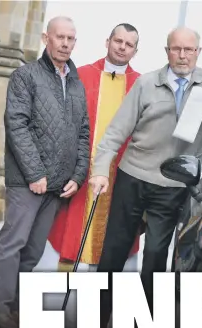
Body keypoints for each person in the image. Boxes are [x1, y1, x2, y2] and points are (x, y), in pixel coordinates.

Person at [88, 26, 202, 328]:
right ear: (167, 51)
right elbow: (113, 135)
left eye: (189, 50)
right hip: (134, 176)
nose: (182, 55)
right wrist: (101, 172)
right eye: (176, 49)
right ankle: (96, 319)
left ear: (198, 52)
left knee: (157, 254)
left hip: (173, 184)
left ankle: (138, 325)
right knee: (114, 250)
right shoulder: (147, 84)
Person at [0, 16, 89, 328]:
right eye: (60, 37)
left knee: (33, 250)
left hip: (57, 185)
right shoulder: (25, 75)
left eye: (71, 39)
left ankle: (15, 307)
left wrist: (78, 174)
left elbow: (83, 132)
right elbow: (17, 124)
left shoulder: (75, 83)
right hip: (27, 181)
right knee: (12, 243)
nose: (65, 43)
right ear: (46, 38)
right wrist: (34, 172)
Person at [46, 23, 144, 273]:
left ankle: (100, 299)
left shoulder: (142, 85)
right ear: (107, 41)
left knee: (113, 237)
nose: (122, 48)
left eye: (129, 44)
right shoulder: (81, 75)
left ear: (135, 50)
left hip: (121, 173)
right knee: (71, 233)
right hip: (81, 169)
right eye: (118, 41)